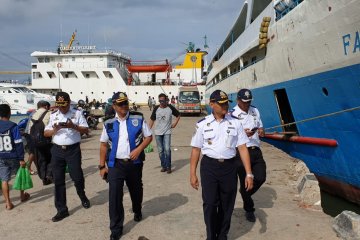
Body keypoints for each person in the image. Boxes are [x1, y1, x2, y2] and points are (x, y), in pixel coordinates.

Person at [190, 90, 253, 240]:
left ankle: (222, 235)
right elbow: (196, 149)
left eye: (226, 103)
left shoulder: (235, 122)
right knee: (210, 204)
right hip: (209, 167)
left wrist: (249, 173)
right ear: (212, 104)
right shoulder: (202, 124)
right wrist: (192, 173)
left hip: (229, 168)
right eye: (221, 103)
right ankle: (211, 236)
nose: (225, 106)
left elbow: (242, 148)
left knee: (227, 205)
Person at [99, 92, 152, 240]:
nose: (124, 106)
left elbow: (149, 137)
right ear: (114, 106)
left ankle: (137, 209)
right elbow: (103, 145)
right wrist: (101, 166)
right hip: (115, 164)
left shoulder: (138, 118)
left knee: (136, 190)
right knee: (114, 195)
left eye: (126, 103)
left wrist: (139, 149)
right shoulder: (108, 123)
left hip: (134, 164)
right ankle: (116, 228)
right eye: (121, 104)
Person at [44, 91, 90, 222]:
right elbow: (46, 133)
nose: (61, 108)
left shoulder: (77, 113)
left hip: (73, 150)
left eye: (64, 105)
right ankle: (61, 210)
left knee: (77, 177)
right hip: (57, 150)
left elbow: (86, 130)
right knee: (58, 181)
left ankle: (82, 196)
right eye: (59, 105)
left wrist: (73, 126)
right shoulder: (53, 115)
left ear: (69, 103)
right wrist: (55, 130)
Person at [230, 88, 266, 222]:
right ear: (238, 100)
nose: (247, 104)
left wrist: (261, 131)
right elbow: (229, 136)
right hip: (241, 152)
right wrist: (242, 134)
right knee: (245, 180)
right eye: (244, 102)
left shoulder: (255, 110)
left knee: (261, 177)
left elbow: (260, 125)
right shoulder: (232, 114)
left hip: (256, 150)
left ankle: (244, 193)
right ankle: (249, 209)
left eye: (249, 101)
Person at [0, 104, 30, 210]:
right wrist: (21, 158)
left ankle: (8, 203)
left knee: (4, 180)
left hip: (1, 157)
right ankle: (22, 195)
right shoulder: (13, 126)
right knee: (20, 175)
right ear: (9, 113)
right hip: (13, 156)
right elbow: (18, 143)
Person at [149, 93, 180, 174]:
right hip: (158, 132)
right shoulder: (156, 108)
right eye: (160, 101)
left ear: (166, 100)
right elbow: (152, 119)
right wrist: (148, 130)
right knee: (160, 150)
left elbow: (178, 115)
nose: (161, 102)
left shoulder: (170, 108)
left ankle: (168, 167)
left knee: (167, 149)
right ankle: (163, 166)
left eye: (163, 101)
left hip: (167, 131)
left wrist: (175, 123)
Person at [28, 100, 53, 185]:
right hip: (47, 140)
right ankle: (49, 175)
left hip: (35, 141)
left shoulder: (32, 114)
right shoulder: (49, 113)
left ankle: (43, 177)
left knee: (41, 160)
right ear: (46, 106)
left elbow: (29, 130)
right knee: (51, 158)